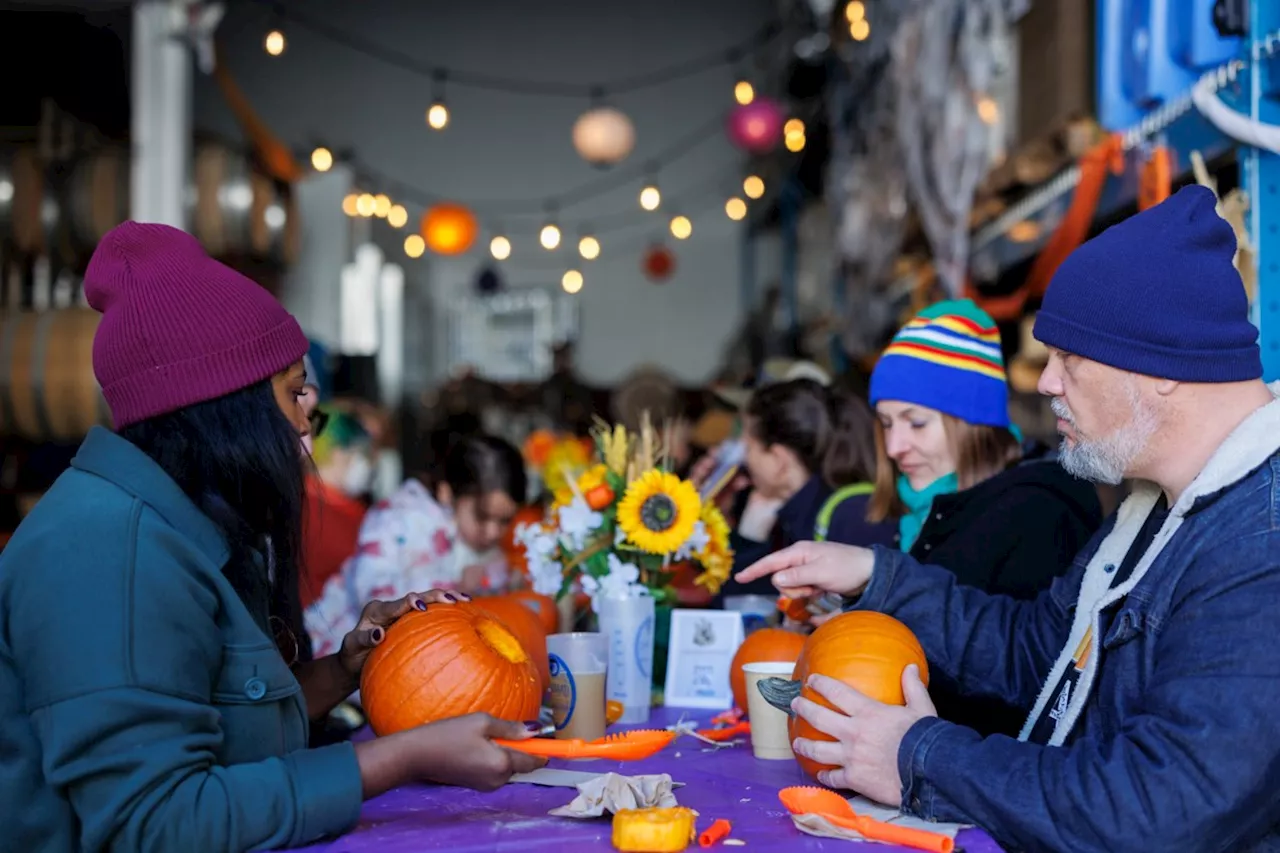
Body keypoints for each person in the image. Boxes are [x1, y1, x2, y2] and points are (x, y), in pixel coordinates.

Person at [736, 185, 1280, 851]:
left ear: (1159, 367)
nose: (1045, 382)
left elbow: (1162, 806)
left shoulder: (1264, 541)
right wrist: (875, 576)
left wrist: (917, 754)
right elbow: (1035, 652)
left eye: (1069, 357)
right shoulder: (1151, 506)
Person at [0, 223, 544, 853]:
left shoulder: (188, 520)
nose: (310, 415)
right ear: (225, 406)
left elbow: (224, 721)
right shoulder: (107, 553)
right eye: (293, 391)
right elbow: (153, 824)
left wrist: (346, 669)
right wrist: (398, 759)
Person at [865, 299, 1103, 735]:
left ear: (972, 421)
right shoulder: (912, 511)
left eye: (915, 423)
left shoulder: (1038, 513)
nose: (895, 446)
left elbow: (1030, 685)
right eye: (885, 423)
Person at [306, 433, 526, 657]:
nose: (492, 532)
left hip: (416, 655)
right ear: (446, 492)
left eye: (504, 521)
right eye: (482, 517)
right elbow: (371, 593)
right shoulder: (398, 517)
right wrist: (455, 585)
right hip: (339, 648)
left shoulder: (491, 552)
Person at [717, 378, 896, 601]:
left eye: (749, 447)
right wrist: (750, 533)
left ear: (779, 459)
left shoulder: (854, 515)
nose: (744, 459)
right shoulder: (795, 513)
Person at [301, 408, 375, 608]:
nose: (369, 463)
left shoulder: (342, 506)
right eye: (362, 453)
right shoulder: (313, 511)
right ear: (338, 454)